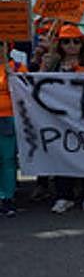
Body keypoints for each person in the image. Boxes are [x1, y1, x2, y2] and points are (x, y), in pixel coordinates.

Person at [43, 25, 84, 214]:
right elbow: (39, 82)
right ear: (60, 44)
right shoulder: (53, 62)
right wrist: (43, 65)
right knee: (62, 155)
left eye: (76, 41)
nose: (71, 45)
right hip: (60, 118)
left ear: (82, 44)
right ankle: (63, 196)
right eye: (66, 41)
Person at [0, 43, 27, 216]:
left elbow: (26, 91)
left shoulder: (17, 67)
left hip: (8, 118)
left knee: (7, 159)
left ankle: (7, 197)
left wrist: (13, 77)